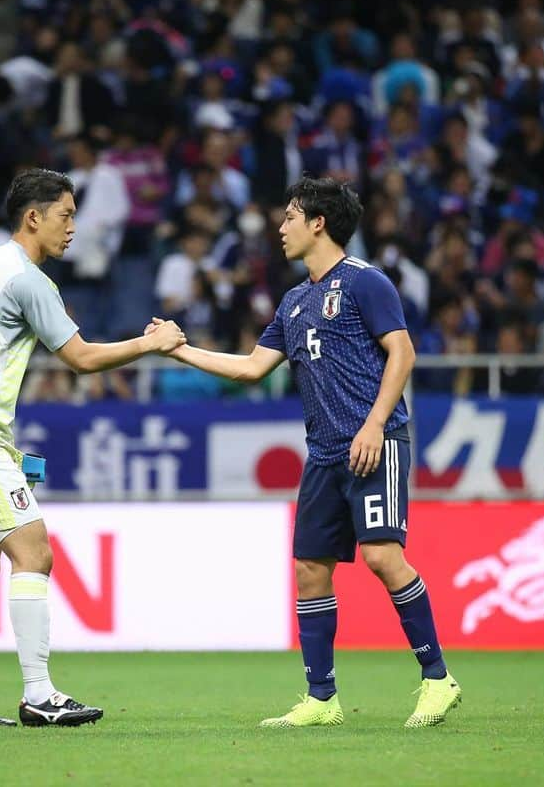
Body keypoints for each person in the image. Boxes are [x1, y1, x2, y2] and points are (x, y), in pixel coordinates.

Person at [150, 177, 460, 729]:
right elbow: (250, 368)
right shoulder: (294, 302)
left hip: (375, 444)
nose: (281, 226)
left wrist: (375, 424)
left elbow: (403, 352)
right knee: (311, 570)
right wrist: (181, 351)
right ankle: (322, 699)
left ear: (319, 223)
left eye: (291, 216)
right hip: (323, 455)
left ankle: (437, 679)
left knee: (382, 558)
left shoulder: (366, 281)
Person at [0, 168, 185, 727]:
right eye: (65, 215)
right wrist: (152, 343)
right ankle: (39, 694)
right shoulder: (29, 280)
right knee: (34, 552)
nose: (72, 228)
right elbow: (82, 358)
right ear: (32, 216)